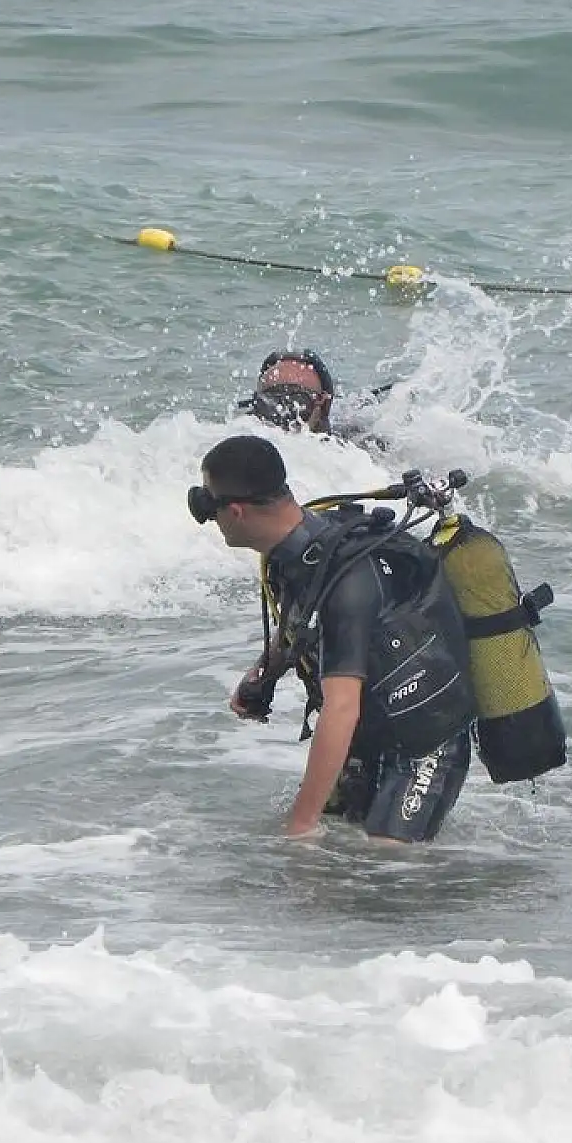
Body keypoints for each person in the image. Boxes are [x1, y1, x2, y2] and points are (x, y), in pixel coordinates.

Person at [188, 434, 475, 841]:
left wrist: (300, 827)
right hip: (371, 729)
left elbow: (341, 710)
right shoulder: (293, 550)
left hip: (425, 739)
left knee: (385, 866)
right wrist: (262, 676)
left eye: (208, 506)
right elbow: (303, 623)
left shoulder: (346, 581)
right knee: (337, 860)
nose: (208, 518)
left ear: (235, 511)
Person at [237, 349, 394, 440]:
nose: (283, 412)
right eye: (269, 401)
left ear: (322, 404)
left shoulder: (359, 452)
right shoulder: (236, 437)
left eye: (297, 400)